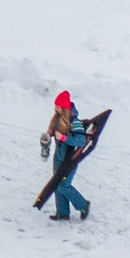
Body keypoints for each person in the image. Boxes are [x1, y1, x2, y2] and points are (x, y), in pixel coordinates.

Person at [41, 90, 90, 221]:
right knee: (57, 184)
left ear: (64, 108)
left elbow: (80, 141)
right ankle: (62, 213)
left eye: (58, 106)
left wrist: (63, 138)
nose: (55, 108)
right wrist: (49, 135)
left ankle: (83, 205)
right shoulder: (57, 120)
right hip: (58, 157)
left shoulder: (75, 122)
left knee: (64, 185)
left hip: (70, 159)